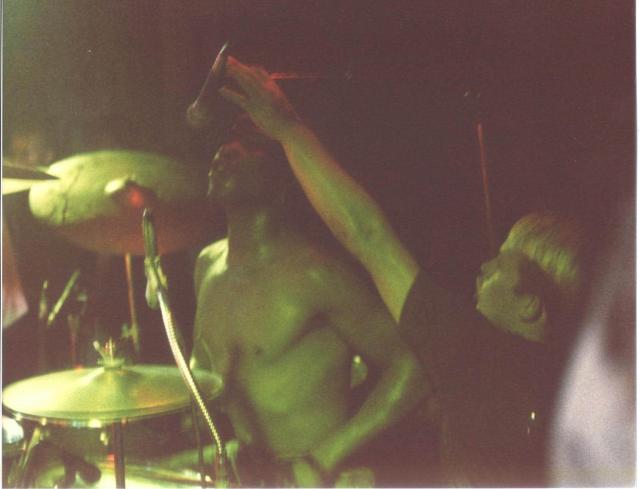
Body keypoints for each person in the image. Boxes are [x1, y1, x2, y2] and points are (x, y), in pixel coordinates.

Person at [216, 56, 587, 486]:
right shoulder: (566, 387)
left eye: (501, 264)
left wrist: (287, 127)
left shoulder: (483, 357)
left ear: (530, 306)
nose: (483, 268)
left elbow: (368, 236)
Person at [162, 114, 426, 487]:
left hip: (316, 477)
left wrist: (324, 459)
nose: (225, 152)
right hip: (244, 469)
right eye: (224, 145)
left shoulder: (315, 274)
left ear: (283, 181)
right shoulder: (207, 264)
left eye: (250, 147)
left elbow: (415, 365)